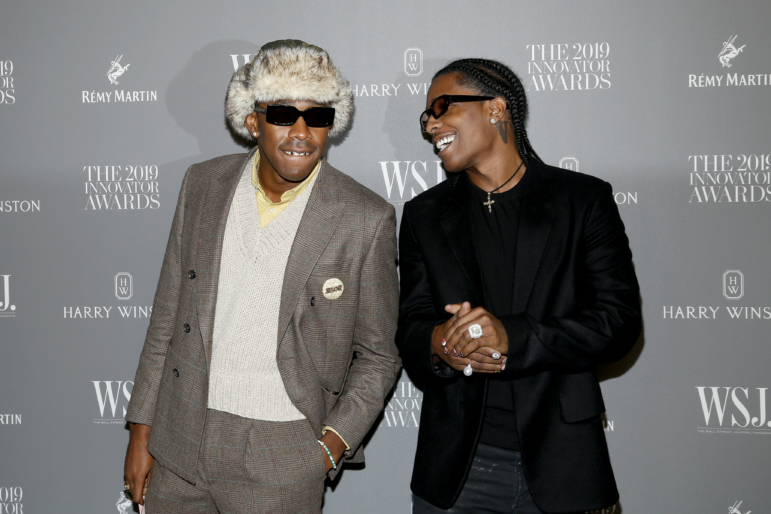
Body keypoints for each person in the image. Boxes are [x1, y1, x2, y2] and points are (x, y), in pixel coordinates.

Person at [123, 39, 401, 514]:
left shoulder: (363, 218)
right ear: (252, 121)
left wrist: (331, 444)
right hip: (181, 438)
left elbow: (379, 355)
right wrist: (141, 430)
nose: (301, 132)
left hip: (285, 451)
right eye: (282, 114)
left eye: (317, 117)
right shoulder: (202, 185)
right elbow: (167, 317)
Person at [395, 58, 641, 514]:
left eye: (443, 106)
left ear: (495, 108)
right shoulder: (423, 215)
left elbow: (619, 323)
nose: (432, 124)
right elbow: (410, 325)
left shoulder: (582, 201)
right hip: (456, 472)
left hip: (564, 465)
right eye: (427, 115)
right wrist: (437, 343)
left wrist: (514, 337)